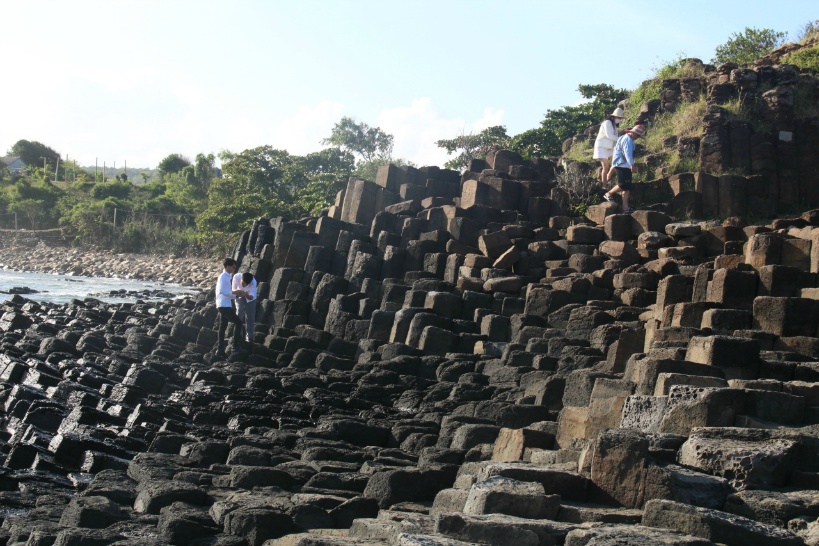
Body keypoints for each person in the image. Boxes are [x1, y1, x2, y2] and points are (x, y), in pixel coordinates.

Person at [603, 124, 646, 214]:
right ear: (632, 132)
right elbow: (627, 153)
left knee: (628, 187)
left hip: (623, 164)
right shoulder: (627, 140)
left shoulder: (624, 138)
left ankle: (625, 207)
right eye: (637, 135)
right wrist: (632, 165)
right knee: (623, 185)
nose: (637, 137)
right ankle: (609, 193)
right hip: (622, 164)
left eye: (638, 136)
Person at [214, 257, 243, 356]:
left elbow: (224, 291)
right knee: (239, 323)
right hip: (224, 305)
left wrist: (235, 294)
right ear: (228, 266)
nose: (234, 269)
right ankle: (235, 346)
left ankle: (220, 349)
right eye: (233, 267)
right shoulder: (224, 276)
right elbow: (222, 291)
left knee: (223, 326)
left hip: (223, 304)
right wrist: (236, 294)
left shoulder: (226, 276)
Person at [592, 107, 625, 184]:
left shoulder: (614, 126)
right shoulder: (607, 123)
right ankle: (604, 185)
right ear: (613, 116)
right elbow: (609, 136)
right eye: (618, 117)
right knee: (605, 167)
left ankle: (608, 177)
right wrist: (621, 139)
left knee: (617, 162)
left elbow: (614, 139)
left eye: (620, 118)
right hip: (601, 147)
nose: (619, 119)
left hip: (609, 147)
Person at [232, 271, 257, 343]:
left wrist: (246, 295)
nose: (243, 285)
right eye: (242, 283)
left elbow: (251, 297)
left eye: (245, 285)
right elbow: (233, 290)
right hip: (239, 295)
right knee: (239, 311)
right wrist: (239, 292)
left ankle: (249, 336)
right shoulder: (236, 276)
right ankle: (238, 334)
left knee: (250, 316)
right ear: (241, 278)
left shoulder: (253, 283)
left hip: (250, 298)